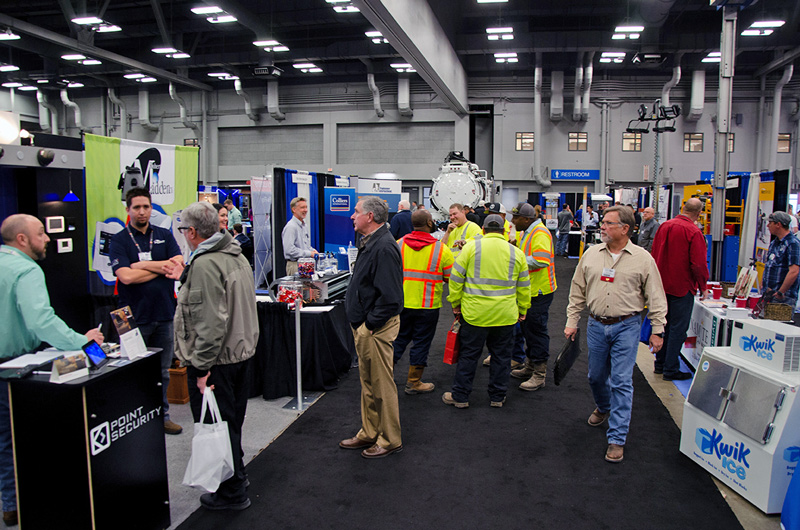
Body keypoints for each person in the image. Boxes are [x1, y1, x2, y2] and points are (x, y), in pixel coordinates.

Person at [0, 214, 104, 527]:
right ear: (22, 240)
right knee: (24, 437)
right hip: (16, 370)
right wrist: (81, 341)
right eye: (41, 233)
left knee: (4, 438)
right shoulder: (26, 270)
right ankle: (27, 503)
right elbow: (41, 321)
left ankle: (9, 504)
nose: (47, 238)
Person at [169, 201, 259, 511]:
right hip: (240, 354)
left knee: (216, 426)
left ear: (192, 232)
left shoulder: (206, 264)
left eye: (183, 230)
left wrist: (201, 367)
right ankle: (238, 474)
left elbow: (209, 322)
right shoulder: (235, 256)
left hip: (217, 361)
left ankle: (231, 492)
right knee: (230, 424)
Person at [564, 206, 667, 463]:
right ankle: (604, 406)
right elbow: (577, 290)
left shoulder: (643, 259)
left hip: (627, 325)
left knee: (621, 381)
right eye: (604, 223)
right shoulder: (591, 255)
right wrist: (572, 320)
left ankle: (616, 438)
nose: (603, 227)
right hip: (596, 325)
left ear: (625, 228)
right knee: (596, 376)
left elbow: (656, 296)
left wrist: (657, 329)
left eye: (609, 223)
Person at [109, 187, 184, 435]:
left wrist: (141, 264)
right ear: (128, 210)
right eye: (137, 207)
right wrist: (158, 267)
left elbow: (177, 266)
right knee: (134, 370)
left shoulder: (164, 234)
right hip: (131, 317)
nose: (142, 211)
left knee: (162, 371)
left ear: (151, 208)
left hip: (164, 313)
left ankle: (161, 416)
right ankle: (135, 418)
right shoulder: (119, 240)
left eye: (146, 207)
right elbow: (126, 277)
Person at [442, 214, 531, 408]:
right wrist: (522, 309)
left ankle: (461, 397)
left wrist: (455, 304)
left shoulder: (470, 248)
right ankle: (497, 397)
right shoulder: (517, 253)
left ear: (482, 230)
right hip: (505, 316)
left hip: (475, 314)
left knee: (469, 355)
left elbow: (456, 280)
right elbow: (524, 286)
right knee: (501, 356)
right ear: (504, 231)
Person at [339, 197, 404, 459]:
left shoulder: (384, 247)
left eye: (356, 212)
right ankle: (370, 431)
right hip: (367, 326)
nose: (352, 216)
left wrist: (369, 326)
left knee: (381, 385)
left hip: (376, 329)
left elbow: (391, 298)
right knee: (368, 384)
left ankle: (389, 439)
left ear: (371, 217)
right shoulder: (370, 242)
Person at [393, 209, 454, 394]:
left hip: (402, 304)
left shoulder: (398, 245)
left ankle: (381, 378)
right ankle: (413, 382)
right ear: (429, 223)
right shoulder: (441, 249)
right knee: (421, 342)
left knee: (398, 340)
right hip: (428, 305)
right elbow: (450, 277)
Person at [651, 198, 709, 381]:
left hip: (660, 285)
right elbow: (698, 264)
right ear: (699, 213)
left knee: (662, 325)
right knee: (677, 329)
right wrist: (703, 286)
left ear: (683, 208)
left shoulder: (664, 226)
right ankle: (670, 368)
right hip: (681, 287)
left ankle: (659, 363)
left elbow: (653, 254)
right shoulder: (693, 231)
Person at [510, 203, 557, 391]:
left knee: (537, 331)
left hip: (539, 291)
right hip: (530, 290)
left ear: (526, 219)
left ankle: (539, 374)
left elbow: (541, 259)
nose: (512, 221)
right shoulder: (528, 232)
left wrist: (516, 259)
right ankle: (530, 366)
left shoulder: (540, 233)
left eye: (516, 218)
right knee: (528, 330)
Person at [761, 211, 800, 307]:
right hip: (769, 295)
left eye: (770, 223)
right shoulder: (775, 242)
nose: (767, 226)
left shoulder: (792, 243)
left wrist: (781, 292)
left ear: (778, 224)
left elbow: (794, 271)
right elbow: (769, 264)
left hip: (782, 298)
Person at [281, 197, 318, 276]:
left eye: (306, 207)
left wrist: (313, 251)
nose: (305, 210)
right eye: (302, 208)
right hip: (295, 265)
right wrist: (309, 254)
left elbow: (306, 246)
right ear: (294, 210)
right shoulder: (291, 227)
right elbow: (289, 250)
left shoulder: (304, 225)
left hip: (306, 264)